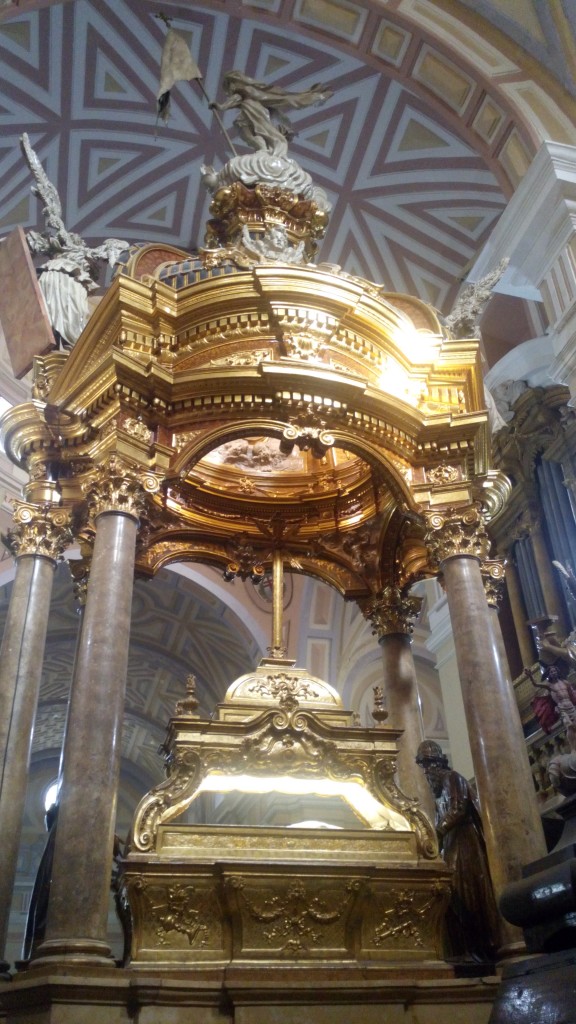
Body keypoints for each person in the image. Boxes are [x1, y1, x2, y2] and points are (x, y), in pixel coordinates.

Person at [415, 740, 500, 963]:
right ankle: (464, 949)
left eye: (429, 765)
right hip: (451, 841)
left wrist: (438, 832)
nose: (427, 772)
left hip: (465, 841)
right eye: (424, 767)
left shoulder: (453, 778)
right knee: (453, 892)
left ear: (438, 763)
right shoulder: (438, 791)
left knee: (467, 889)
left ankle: (480, 947)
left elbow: (458, 808)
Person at [210, 71, 332, 156]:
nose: (228, 90)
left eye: (228, 86)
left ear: (233, 83)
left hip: (254, 114)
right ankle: (263, 150)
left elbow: (233, 100)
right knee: (254, 134)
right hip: (251, 115)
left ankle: (263, 150)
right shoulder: (250, 92)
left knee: (254, 134)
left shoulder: (244, 91)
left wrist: (220, 106)